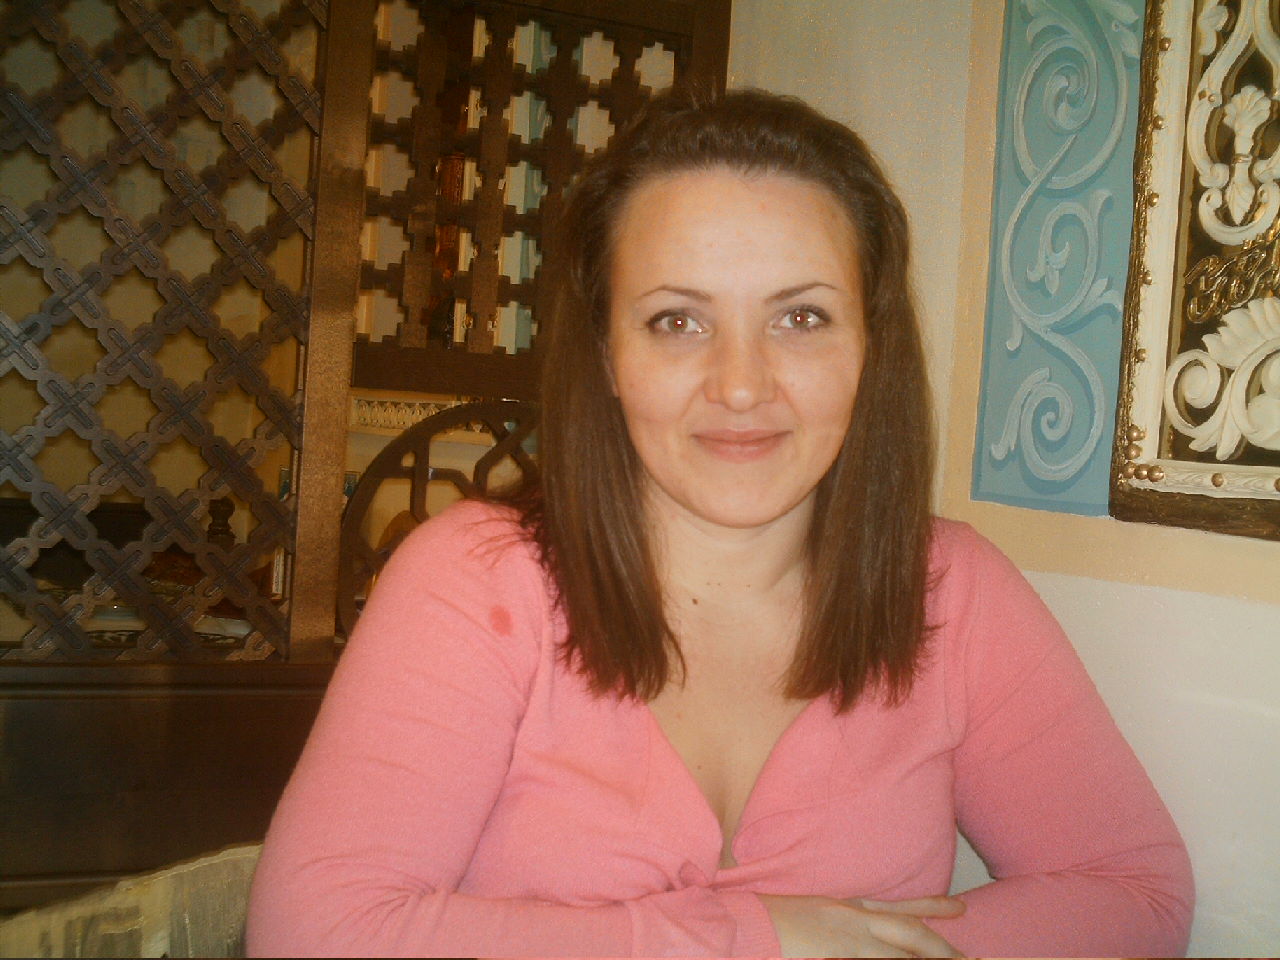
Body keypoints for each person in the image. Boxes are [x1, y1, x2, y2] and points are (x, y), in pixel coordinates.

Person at [247, 88, 1193, 958]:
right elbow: (311, 934)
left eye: (802, 318)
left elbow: (1137, 897)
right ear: (607, 353)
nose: (741, 385)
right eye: (678, 321)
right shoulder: (474, 581)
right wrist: (752, 941)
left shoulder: (953, 591)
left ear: (873, 346)